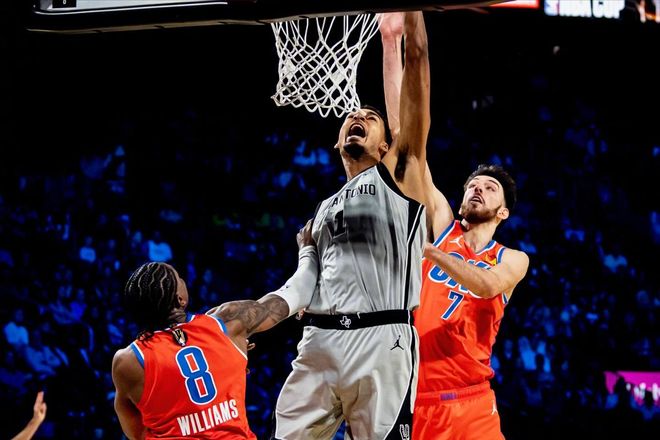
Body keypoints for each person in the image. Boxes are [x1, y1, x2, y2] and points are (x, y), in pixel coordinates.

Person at [271, 11, 431, 440]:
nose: (358, 115)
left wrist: (402, 29)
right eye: (352, 115)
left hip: (381, 339)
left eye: (371, 117)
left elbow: (417, 62)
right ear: (337, 141)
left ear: (387, 144)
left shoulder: (400, 175)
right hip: (318, 340)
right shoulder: (322, 209)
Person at [380, 16, 529, 439]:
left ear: (503, 213)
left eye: (489, 188)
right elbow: (406, 143)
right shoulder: (442, 225)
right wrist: (391, 42)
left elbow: (487, 285)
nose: (478, 189)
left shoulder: (512, 258)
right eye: (473, 185)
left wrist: (432, 254)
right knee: (404, 148)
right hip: (417, 400)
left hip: (472, 404)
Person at [112, 224, 318, 439]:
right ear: (180, 300)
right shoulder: (227, 324)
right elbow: (296, 293)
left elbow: (137, 434)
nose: (183, 280)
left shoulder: (128, 361)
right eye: (179, 277)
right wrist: (307, 251)